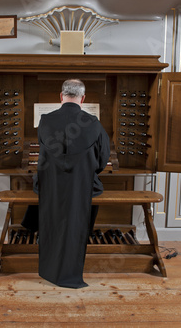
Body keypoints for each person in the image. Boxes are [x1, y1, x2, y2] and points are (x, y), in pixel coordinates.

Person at [22, 79, 110, 288]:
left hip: (50, 185)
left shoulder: (45, 120)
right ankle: (79, 244)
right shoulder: (94, 123)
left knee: (45, 199)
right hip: (82, 186)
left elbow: (44, 156)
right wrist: (83, 171)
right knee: (92, 192)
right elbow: (102, 160)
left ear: (61, 96)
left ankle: (48, 265)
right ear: (83, 98)